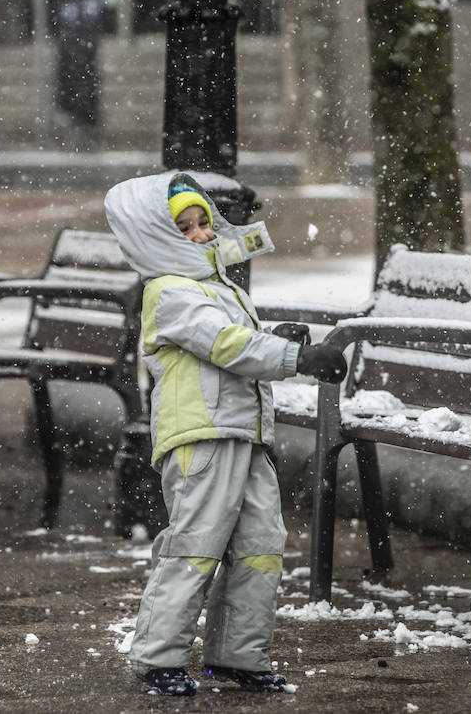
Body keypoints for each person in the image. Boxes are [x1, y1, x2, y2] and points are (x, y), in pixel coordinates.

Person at [104, 171, 348, 696]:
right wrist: (296, 357)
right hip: (202, 438)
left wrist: (272, 340)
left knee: (260, 544)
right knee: (197, 542)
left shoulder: (218, 287)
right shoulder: (169, 292)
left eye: (204, 223)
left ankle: (237, 655)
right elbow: (223, 345)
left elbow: (236, 341)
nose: (200, 234)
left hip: (244, 433)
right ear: (157, 239)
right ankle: (158, 654)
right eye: (185, 228)